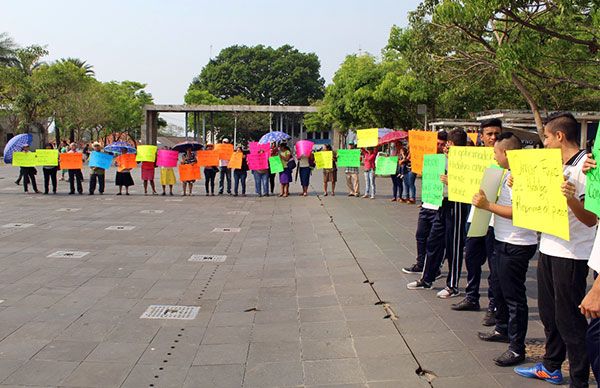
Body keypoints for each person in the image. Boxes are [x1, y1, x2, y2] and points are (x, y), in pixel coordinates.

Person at [515, 112, 597, 387]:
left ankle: (578, 379)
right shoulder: (551, 166)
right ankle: (551, 365)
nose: (545, 144)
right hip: (548, 248)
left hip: (572, 253)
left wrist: (572, 199)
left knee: (570, 320)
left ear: (559, 136)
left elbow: (590, 219)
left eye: (547, 138)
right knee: (550, 315)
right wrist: (521, 186)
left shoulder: (587, 166)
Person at [471, 132, 538, 367]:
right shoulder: (507, 173)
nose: (494, 156)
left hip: (517, 242)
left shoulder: (525, 175)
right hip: (502, 239)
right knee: (499, 289)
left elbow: (521, 212)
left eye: (496, 152)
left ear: (507, 153)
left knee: (514, 298)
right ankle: (502, 329)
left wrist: (487, 205)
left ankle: (517, 348)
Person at [407, 128, 469, 299]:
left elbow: (471, 184)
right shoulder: (443, 159)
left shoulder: (467, 161)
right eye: (447, 144)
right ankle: (427, 278)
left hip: (457, 204)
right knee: (433, 241)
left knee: (454, 247)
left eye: (450, 144)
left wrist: (453, 181)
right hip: (441, 203)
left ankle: (452, 285)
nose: (446, 147)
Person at [452, 118, 502, 328]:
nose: (493, 138)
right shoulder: (473, 158)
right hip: (475, 216)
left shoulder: (508, 158)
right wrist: (452, 179)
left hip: (496, 219)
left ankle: (494, 306)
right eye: (489, 134)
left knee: (494, 264)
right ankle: (472, 296)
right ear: (481, 136)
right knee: (471, 257)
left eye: (496, 134)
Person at [403, 131, 447, 274]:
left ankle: (435, 267)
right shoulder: (427, 158)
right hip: (427, 203)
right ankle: (421, 263)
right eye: (437, 143)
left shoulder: (449, 160)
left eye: (442, 144)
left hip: (440, 205)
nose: (439, 146)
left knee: (435, 240)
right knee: (420, 235)